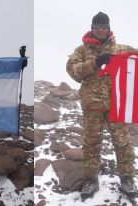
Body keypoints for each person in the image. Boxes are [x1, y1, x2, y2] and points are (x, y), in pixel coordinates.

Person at [66, 12, 137, 199]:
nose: (100, 29)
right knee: (91, 144)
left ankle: (127, 177)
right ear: (92, 28)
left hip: (117, 105)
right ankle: (90, 179)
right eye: (97, 26)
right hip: (92, 107)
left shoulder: (121, 49)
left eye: (103, 26)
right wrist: (95, 62)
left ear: (108, 28)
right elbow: (74, 71)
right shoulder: (80, 50)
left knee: (123, 143)